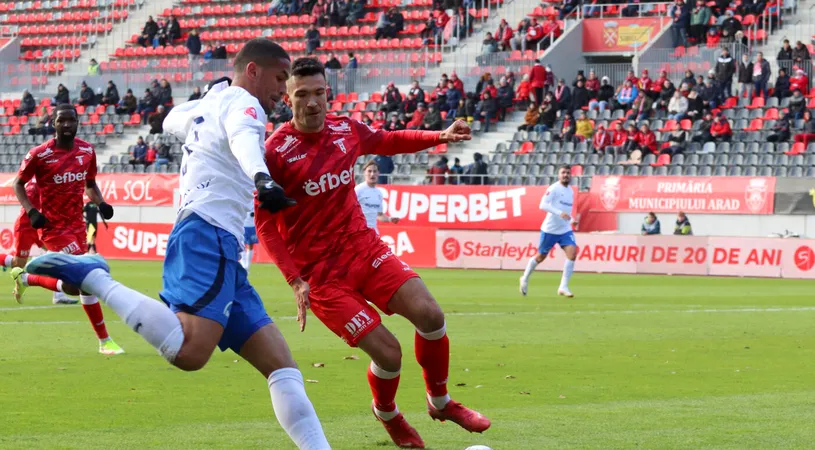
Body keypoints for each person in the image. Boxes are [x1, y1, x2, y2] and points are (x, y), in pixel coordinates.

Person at [23, 40, 331, 450]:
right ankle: (94, 278)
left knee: (281, 366)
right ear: (253, 71)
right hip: (210, 231)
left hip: (216, 240)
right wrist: (262, 177)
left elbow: (171, 119)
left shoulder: (211, 103)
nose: (283, 88)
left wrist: (213, 93)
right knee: (189, 352)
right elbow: (242, 136)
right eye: (279, 78)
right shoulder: (245, 103)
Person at [259, 57, 489, 449]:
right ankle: (388, 414)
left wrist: (441, 135)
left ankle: (441, 402)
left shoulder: (345, 129)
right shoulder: (275, 152)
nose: (312, 102)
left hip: (364, 249)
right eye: (302, 95)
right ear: (287, 98)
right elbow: (265, 224)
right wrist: (295, 280)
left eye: (319, 93)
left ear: (328, 94)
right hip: (323, 277)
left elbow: (387, 139)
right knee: (390, 355)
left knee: (431, 314)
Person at [11, 104, 124, 355]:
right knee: (85, 280)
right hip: (52, 227)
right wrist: (31, 211)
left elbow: (90, 184)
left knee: (75, 286)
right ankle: (105, 342)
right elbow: (18, 184)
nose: (66, 125)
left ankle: (29, 278)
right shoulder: (40, 155)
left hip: (77, 225)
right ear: (53, 123)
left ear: (77, 122)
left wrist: (101, 202)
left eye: (71, 120)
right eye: (61, 121)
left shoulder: (86, 151)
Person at [0, 181, 75, 305]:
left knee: (57, 255)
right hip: (25, 227)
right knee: (17, 264)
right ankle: (33, 268)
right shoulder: (34, 183)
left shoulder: (48, 179)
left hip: (40, 227)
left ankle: (59, 295)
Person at [520, 165, 577, 298]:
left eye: (568, 173)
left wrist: (571, 220)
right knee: (540, 257)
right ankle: (525, 278)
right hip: (550, 229)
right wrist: (559, 213)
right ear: (558, 175)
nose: (566, 175)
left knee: (572, 253)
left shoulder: (570, 191)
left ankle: (563, 286)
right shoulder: (554, 188)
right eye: (563, 172)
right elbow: (543, 205)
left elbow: (566, 211)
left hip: (564, 230)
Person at [355, 161, 399, 234]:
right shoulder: (358, 190)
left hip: (374, 233)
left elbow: (379, 215)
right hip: (360, 232)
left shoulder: (379, 193)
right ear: (364, 173)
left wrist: (390, 219)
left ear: (378, 173)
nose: (372, 174)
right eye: (369, 171)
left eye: (375, 171)